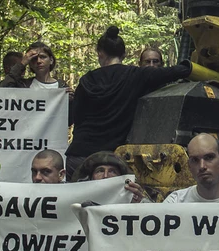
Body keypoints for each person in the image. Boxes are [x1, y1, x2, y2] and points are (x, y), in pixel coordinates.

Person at [65, 26, 191, 178]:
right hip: (112, 160)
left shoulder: (86, 80)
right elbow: (173, 72)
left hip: (80, 155)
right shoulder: (135, 75)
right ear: (124, 54)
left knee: (76, 200)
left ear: (100, 53)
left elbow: (75, 117)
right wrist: (193, 66)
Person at [70, 150, 146, 202]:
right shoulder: (76, 201)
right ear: (90, 177)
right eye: (100, 171)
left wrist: (140, 204)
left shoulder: (132, 200)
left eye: (112, 171)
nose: (105, 176)